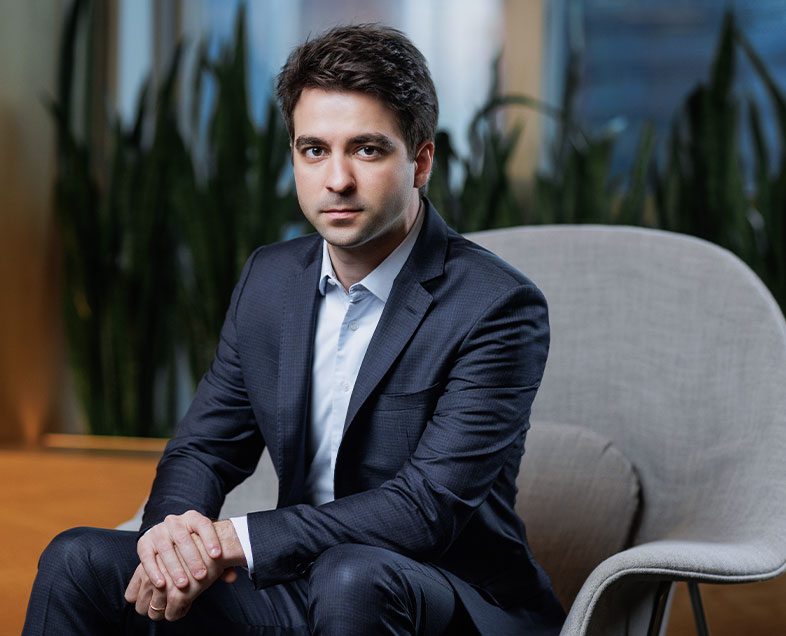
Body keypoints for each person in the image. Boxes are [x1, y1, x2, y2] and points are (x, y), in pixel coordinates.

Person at [23, 24, 564, 635]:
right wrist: (174, 537)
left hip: (448, 596)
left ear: (420, 160)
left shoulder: (496, 305)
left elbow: (424, 511)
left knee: (352, 578)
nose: (336, 180)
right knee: (76, 559)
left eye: (366, 149)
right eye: (314, 150)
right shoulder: (270, 279)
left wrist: (235, 540)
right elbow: (205, 447)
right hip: (295, 581)